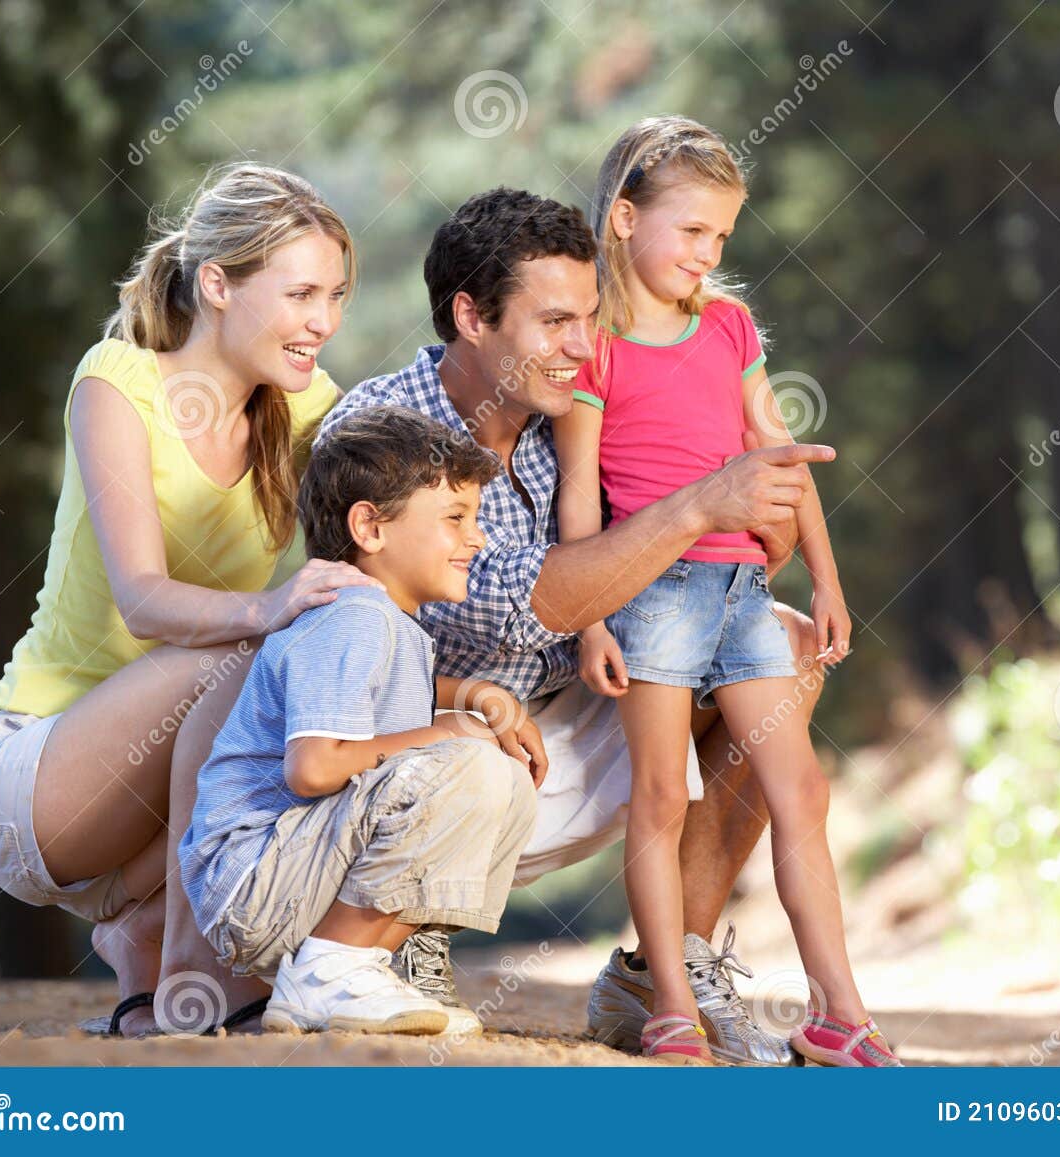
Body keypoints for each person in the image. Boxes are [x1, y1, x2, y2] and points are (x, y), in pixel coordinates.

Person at [318, 185, 836, 1065]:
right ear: (471, 315)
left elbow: (715, 572)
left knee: (780, 646)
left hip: (553, 744)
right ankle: (405, 925)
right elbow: (527, 603)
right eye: (553, 322)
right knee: (474, 731)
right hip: (418, 771)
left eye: (591, 318)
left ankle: (667, 969)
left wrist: (766, 523)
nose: (581, 347)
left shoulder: (579, 420)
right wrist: (699, 504)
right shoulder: (385, 434)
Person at [0, 163, 375, 1037]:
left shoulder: (310, 412)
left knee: (318, 673)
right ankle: (192, 965)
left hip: (140, 843)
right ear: (218, 284)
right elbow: (144, 601)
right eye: (300, 294)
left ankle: (145, 937)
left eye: (334, 295)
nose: (323, 322)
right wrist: (269, 609)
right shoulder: (119, 381)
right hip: (36, 780)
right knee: (253, 650)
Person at [553, 114, 898, 1066]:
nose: (707, 255)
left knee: (803, 789)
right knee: (661, 798)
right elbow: (579, 493)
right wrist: (588, 622)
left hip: (744, 588)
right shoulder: (598, 347)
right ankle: (668, 1003)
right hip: (649, 594)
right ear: (623, 219)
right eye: (692, 231)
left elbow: (782, 460)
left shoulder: (731, 327)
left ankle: (839, 1012)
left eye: (722, 238)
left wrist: (825, 580)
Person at [179, 405, 540, 1037]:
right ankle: (330, 969)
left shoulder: (381, 621)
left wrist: (475, 694)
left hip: (291, 871)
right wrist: (451, 732)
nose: (477, 539)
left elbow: (381, 709)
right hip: (257, 877)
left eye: (475, 519)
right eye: (455, 519)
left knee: (501, 778)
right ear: (369, 526)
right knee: (474, 766)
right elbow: (315, 766)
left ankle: (349, 964)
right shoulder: (355, 617)